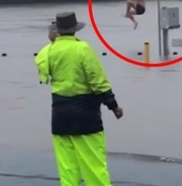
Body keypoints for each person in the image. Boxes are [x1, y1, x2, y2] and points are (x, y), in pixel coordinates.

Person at [35, 12, 123, 186]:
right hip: (86, 116)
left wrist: (52, 41)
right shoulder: (83, 49)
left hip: (60, 116)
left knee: (67, 170)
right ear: (75, 30)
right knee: (94, 168)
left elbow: (42, 71)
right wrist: (113, 105)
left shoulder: (48, 51)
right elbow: (98, 82)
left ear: (57, 30)